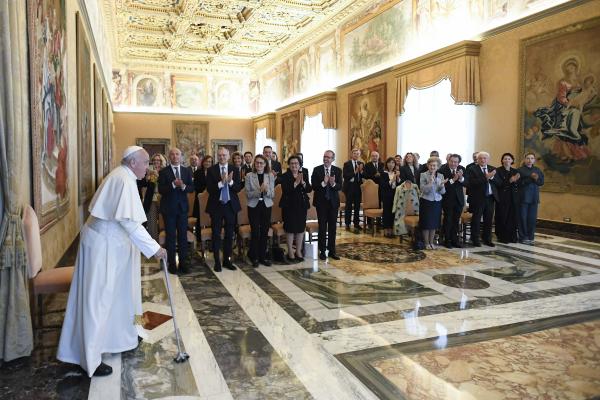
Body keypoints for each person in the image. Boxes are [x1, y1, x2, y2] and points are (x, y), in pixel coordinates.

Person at [57, 146, 166, 377]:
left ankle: (123, 334)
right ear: (133, 162)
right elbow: (130, 223)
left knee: (121, 295)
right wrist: (155, 249)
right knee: (99, 301)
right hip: (103, 249)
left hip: (112, 246)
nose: (148, 169)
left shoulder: (122, 176)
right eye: (145, 163)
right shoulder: (123, 180)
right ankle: (90, 358)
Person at [158, 148, 194, 274]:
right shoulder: (163, 172)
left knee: (183, 236)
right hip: (169, 209)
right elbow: (161, 190)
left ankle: (183, 263)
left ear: (181, 156)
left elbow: (191, 187)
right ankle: (172, 264)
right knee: (171, 237)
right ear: (169, 157)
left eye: (177, 154)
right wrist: (173, 184)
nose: (175, 156)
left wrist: (183, 186)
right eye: (172, 154)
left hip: (182, 209)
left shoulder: (186, 171)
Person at [206, 147, 242, 271]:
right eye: (220, 155)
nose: (222, 157)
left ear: (228, 156)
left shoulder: (234, 169)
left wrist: (230, 182)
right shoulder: (211, 170)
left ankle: (227, 260)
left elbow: (238, 188)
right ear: (217, 156)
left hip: (230, 206)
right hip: (216, 206)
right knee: (216, 234)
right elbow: (210, 189)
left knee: (229, 234)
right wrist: (221, 182)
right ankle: (217, 261)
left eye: (224, 155)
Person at [311, 150, 342, 260]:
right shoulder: (317, 170)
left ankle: (332, 251)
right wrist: (324, 183)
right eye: (325, 157)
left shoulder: (337, 171)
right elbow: (314, 186)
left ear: (333, 159)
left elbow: (340, 186)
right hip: (321, 203)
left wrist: (333, 183)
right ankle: (322, 251)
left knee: (333, 228)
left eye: (328, 157)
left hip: (333, 203)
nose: (326, 159)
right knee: (322, 227)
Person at [280, 155, 312, 262]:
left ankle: (298, 251)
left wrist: (303, 183)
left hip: (301, 205)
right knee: (290, 229)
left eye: (296, 163)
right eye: (292, 163)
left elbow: (309, 189)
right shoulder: (285, 176)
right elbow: (285, 190)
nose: (294, 165)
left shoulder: (303, 174)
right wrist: (295, 184)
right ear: (289, 165)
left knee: (300, 228)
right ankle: (290, 251)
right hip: (289, 206)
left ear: (299, 165)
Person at [245, 155, 275, 267]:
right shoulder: (249, 176)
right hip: (253, 206)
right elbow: (248, 194)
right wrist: (259, 190)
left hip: (266, 206)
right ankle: (254, 256)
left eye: (261, 163)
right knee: (255, 232)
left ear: (265, 164)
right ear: (254, 164)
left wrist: (266, 191)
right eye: (257, 163)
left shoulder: (270, 176)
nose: (259, 165)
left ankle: (262, 256)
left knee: (264, 231)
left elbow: (272, 194)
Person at [465, 151, 499, 247]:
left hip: (490, 198)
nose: (483, 160)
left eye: (485, 158)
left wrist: (491, 178)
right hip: (478, 199)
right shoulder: (472, 169)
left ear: (488, 160)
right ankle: (475, 239)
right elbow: (470, 183)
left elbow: (499, 182)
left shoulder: (493, 169)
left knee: (488, 220)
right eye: (480, 158)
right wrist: (486, 177)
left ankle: (487, 239)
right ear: (477, 160)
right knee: (476, 220)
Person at [419, 157, 447, 249]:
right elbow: (423, 190)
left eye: (434, 165)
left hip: (437, 202)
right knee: (426, 223)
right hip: (426, 201)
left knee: (434, 224)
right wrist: (430, 183)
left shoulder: (441, 176)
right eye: (430, 165)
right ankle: (426, 243)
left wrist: (442, 185)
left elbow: (442, 192)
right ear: (427, 166)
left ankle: (432, 242)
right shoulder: (423, 175)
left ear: (438, 166)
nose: (432, 167)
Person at [439, 154, 465, 248]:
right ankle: (447, 241)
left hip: (458, 200)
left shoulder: (462, 169)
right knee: (448, 220)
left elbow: (466, 183)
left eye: (456, 162)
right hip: (447, 199)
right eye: (452, 161)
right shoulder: (442, 170)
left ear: (458, 163)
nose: (453, 164)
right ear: (448, 161)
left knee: (456, 221)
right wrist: (453, 180)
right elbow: (442, 186)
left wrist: (461, 178)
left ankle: (455, 240)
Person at [518, 152, 545, 244]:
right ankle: (523, 237)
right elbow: (518, 183)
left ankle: (530, 236)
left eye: (532, 158)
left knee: (532, 218)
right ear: (525, 159)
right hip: (523, 198)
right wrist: (531, 178)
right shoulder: (520, 170)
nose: (530, 160)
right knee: (523, 218)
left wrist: (536, 178)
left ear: (534, 160)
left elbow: (541, 182)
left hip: (534, 198)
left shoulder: (537, 169)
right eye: (528, 158)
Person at [494, 153, 520, 244]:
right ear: (502, 161)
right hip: (502, 197)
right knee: (502, 216)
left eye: (509, 159)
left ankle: (512, 236)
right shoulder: (497, 170)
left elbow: (518, 185)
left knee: (512, 217)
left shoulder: (515, 171)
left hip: (513, 197)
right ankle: (502, 237)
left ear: (512, 161)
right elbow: (498, 184)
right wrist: (510, 180)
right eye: (505, 159)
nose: (507, 160)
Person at [141, 153, 166, 240]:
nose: (156, 162)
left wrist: (157, 175)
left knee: (165, 221)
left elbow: (165, 183)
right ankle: (154, 244)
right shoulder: (149, 171)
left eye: (158, 160)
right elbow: (143, 184)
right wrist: (147, 177)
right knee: (152, 222)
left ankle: (164, 243)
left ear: (161, 161)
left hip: (163, 198)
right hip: (151, 198)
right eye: (154, 160)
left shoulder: (165, 171)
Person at [342, 148, 364, 233]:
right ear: (352, 154)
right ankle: (347, 224)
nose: (356, 155)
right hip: (349, 187)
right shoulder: (347, 164)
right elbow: (345, 176)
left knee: (357, 206)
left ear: (359, 155)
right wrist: (355, 172)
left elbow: (363, 175)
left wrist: (361, 172)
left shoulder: (361, 163)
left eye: (358, 154)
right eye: (354, 153)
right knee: (349, 206)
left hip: (358, 187)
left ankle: (356, 224)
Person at [381, 157, 401, 238]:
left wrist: (398, 177)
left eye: (393, 163)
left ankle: (392, 230)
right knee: (387, 213)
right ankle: (386, 230)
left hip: (395, 195)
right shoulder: (383, 173)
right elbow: (383, 185)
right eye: (389, 162)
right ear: (387, 164)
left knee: (393, 213)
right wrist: (392, 179)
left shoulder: (396, 173)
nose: (391, 164)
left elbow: (399, 184)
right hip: (386, 195)